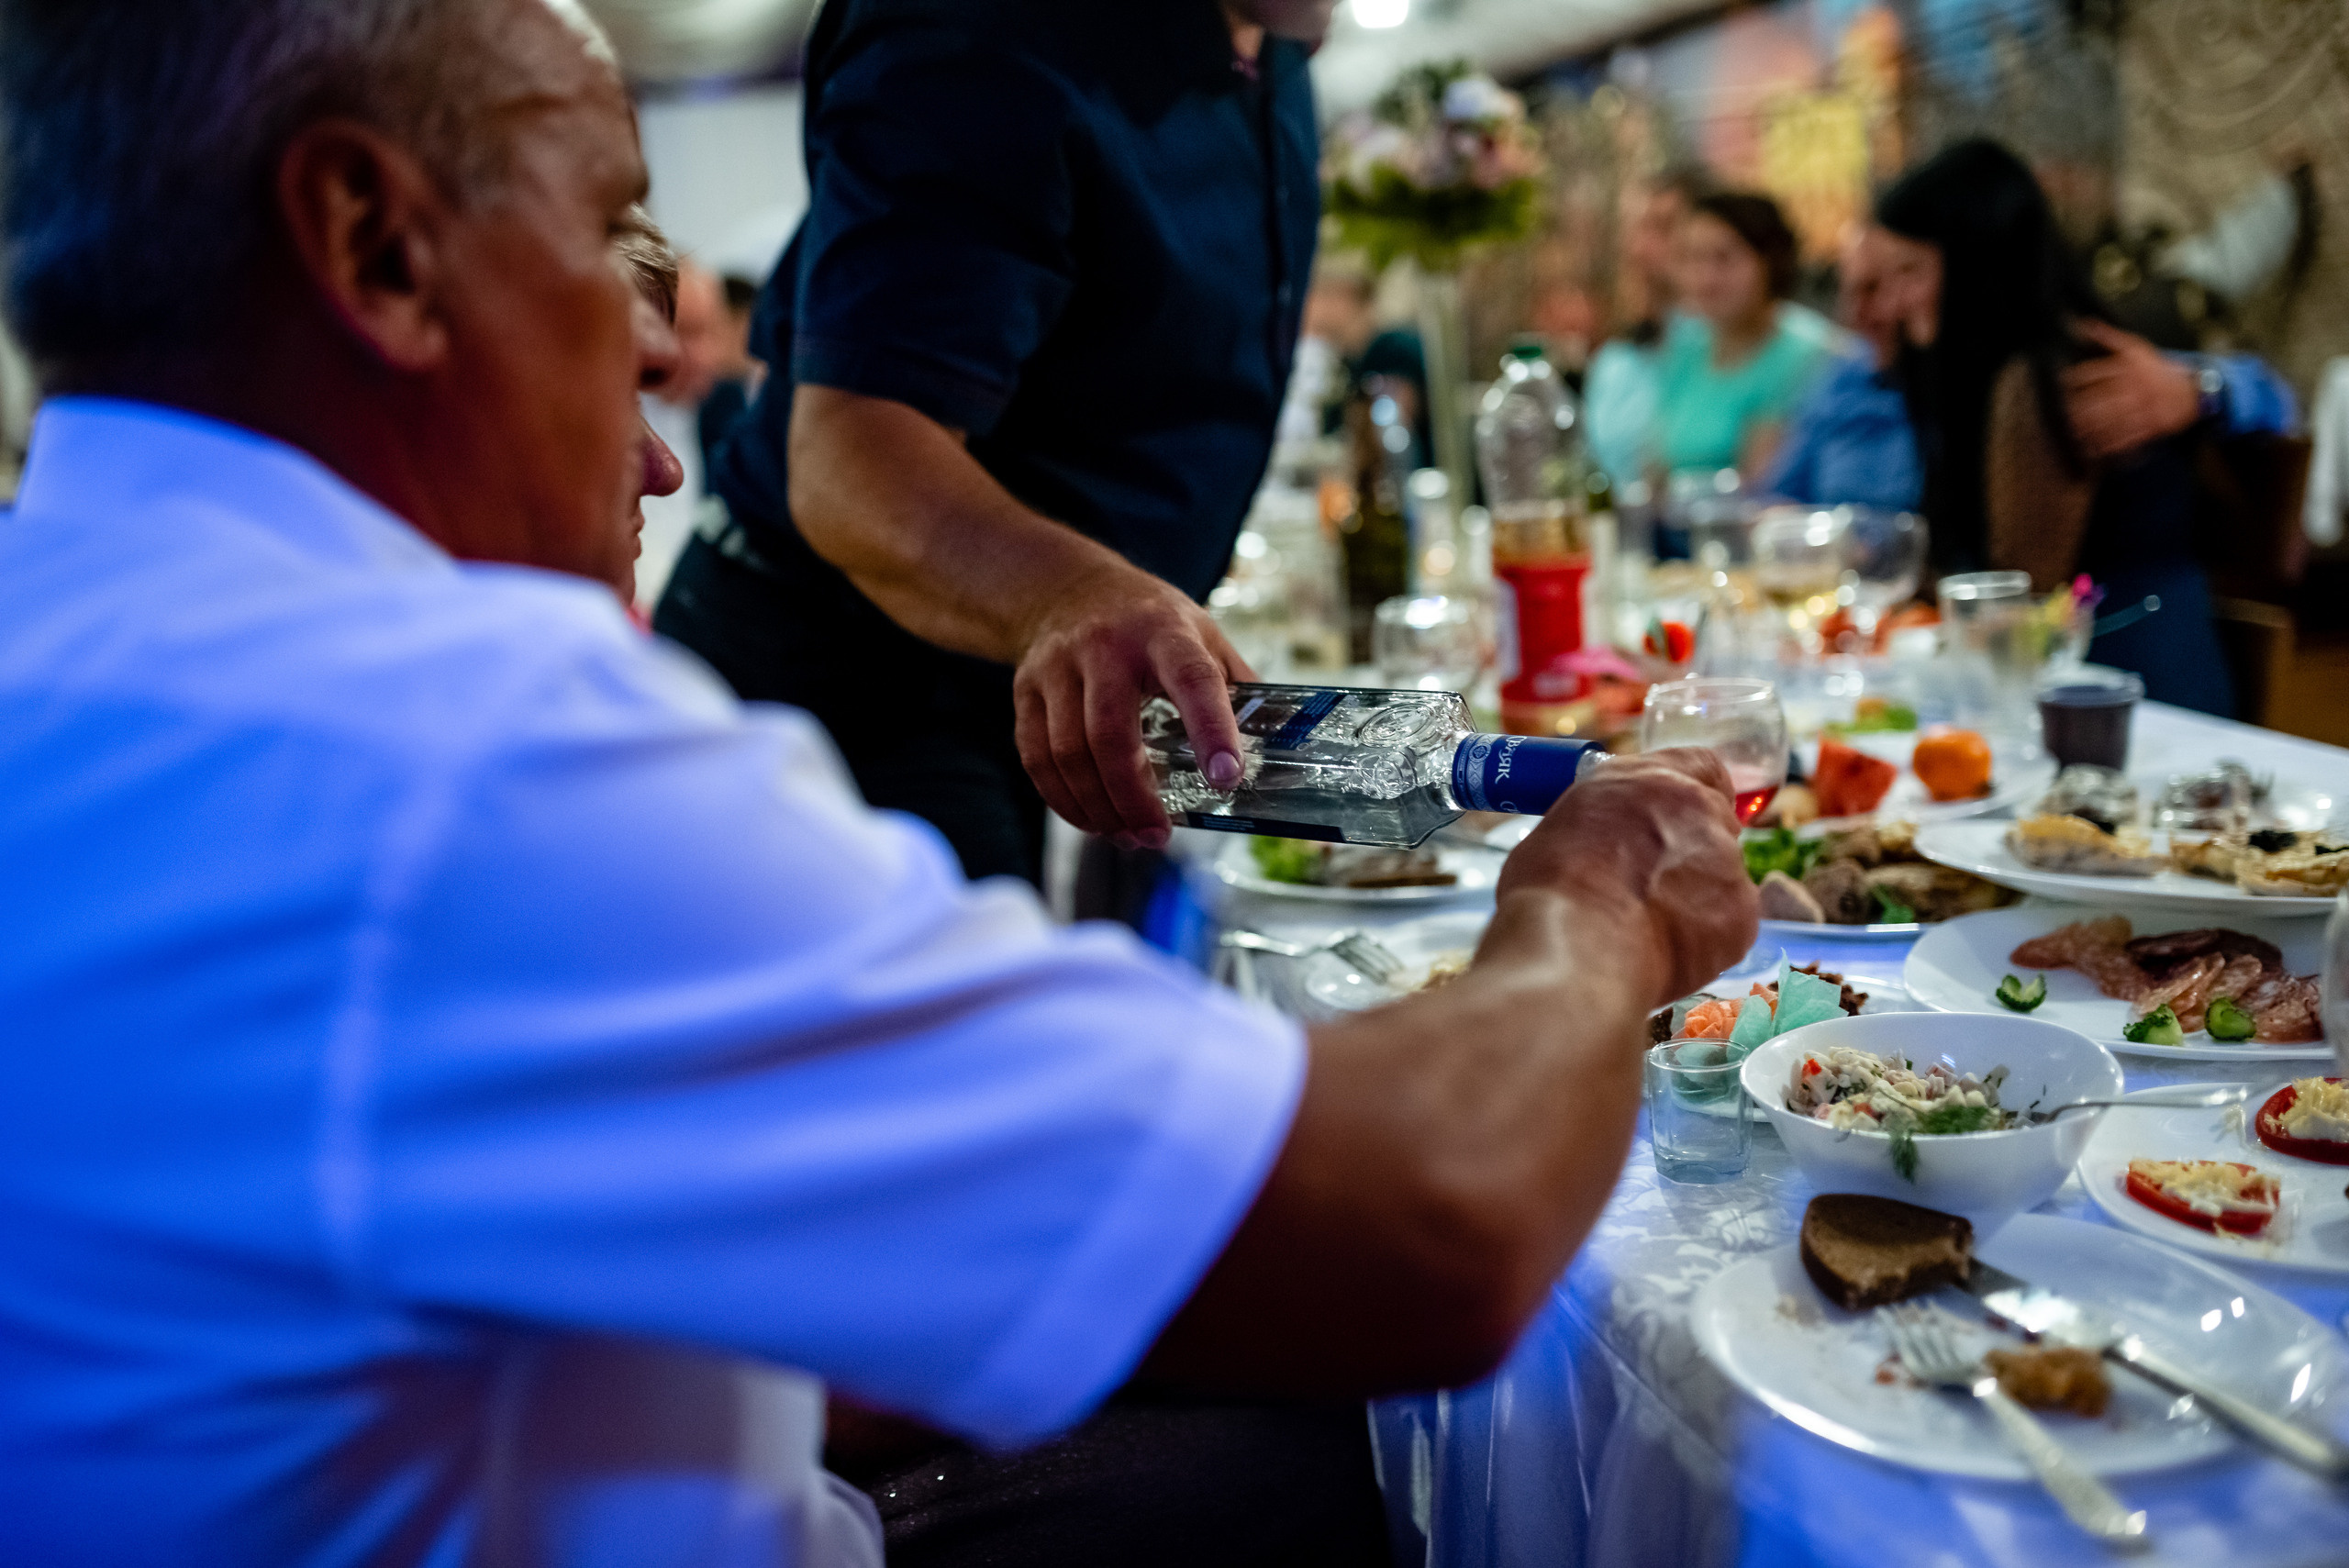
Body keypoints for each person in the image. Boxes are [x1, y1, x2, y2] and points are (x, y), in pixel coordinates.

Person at [0, 10, 1761, 1568]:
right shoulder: (453, 755)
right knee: (1356, 1448)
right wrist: (1597, 895)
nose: (672, 413)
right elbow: (1436, 1225)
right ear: (377, 244)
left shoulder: (75, 626)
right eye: (610, 224)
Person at [654, 0, 1331, 888]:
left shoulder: (1273, 55)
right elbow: (850, 454)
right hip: (837, 680)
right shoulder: (976, 27)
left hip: (1008, 673)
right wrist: (1074, 593)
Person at [1869, 139, 2299, 715]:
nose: (1891, 302)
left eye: (1910, 272)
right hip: (2072, 695)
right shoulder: (1967, 373)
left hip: (2142, 708)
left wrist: (2204, 390)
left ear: (1977, 264)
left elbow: (2021, 588)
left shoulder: (2064, 374)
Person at [1646, 191, 1837, 486]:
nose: (1705, 278)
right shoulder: (1687, 349)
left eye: (1724, 259)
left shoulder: (1807, 353)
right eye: (1692, 258)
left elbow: (1762, 484)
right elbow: (1653, 468)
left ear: (1770, 261)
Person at [1761, 222, 1924, 513]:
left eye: (1873, 289)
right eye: (1849, 293)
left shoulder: (1954, 390)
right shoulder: (1844, 377)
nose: (1856, 314)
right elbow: (1779, 496)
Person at [1585, 166, 1710, 490]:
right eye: (1636, 230)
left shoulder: (1729, 350)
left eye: (1662, 228)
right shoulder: (1614, 364)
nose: (1640, 249)